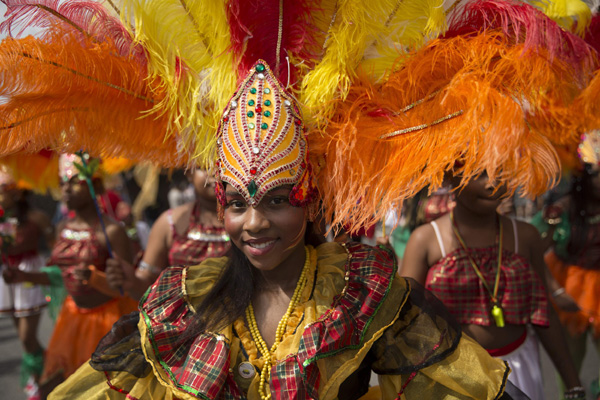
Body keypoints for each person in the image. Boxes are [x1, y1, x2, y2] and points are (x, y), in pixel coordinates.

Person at [48, 61, 517, 400]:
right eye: (236, 204)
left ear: (311, 203)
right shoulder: (189, 299)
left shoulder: (357, 295)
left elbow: (459, 382)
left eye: (277, 200)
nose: (253, 223)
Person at [401, 171, 584, 400]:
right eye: (479, 174)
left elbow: (542, 311)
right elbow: (406, 322)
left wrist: (573, 384)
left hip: (519, 370)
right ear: (450, 178)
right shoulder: (426, 240)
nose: (493, 183)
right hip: (453, 375)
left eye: (502, 172)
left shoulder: (525, 237)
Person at [3, 153, 138, 396]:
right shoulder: (62, 228)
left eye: (73, 181)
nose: (65, 189)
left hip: (106, 321)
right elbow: (60, 276)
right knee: (62, 385)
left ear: (94, 185)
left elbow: (127, 287)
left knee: (101, 390)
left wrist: (94, 278)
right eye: (62, 183)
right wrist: (25, 277)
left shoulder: (112, 231)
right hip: (71, 318)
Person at [531, 149, 600, 399]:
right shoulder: (562, 210)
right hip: (571, 288)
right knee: (571, 358)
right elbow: (533, 251)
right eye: (597, 174)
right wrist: (556, 291)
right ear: (584, 178)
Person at [106, 169, 230, 300]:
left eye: (222, 164)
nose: (214, 173)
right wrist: (132, 281)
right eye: (204, 167)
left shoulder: (249, 221)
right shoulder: (169, 223)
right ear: (189, 173)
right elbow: (147, 282)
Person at [0, 170, 54, 399]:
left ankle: (41, 375)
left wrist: (54, 273)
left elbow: (55, 248)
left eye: (2, 190)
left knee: (26, 337)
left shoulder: (36, 216)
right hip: (7, 276)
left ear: (16, 191)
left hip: (31, 275)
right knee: (25, 340)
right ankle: (43, 375)